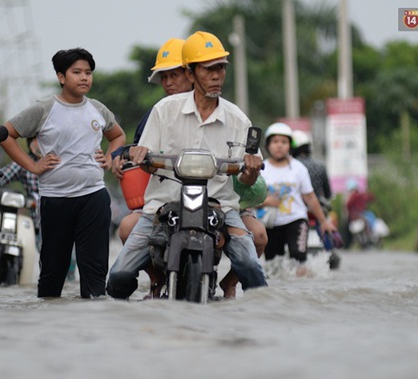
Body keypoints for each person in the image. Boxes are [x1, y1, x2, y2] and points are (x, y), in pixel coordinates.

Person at [107, 31, 267, 300]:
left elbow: (248, 178)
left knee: (252, 268)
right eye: (208, 69)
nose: (216, 75)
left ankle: (247, 306)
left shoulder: (238, 119)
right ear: (191, 74)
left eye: (220, 68)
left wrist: (250, 170)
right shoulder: (164, 110)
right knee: (119, 276)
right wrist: (140, 155)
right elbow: (145, 161)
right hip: (161, 205)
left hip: (221, 207)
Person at [0, 47, 126, 299]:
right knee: (52, 274)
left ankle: (90, 327)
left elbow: (118, 135)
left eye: (88, 73)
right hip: (55, 199)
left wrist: (110, 158)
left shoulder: (98, 109)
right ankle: (51, 328)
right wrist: (34, 166)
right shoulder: (43, 109)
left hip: (94, 196)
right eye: (76, 72)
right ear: (61, 76)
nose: (84, 78)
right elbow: (6, 134)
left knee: (94, 273)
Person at [113, 38, 194, 298]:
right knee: (126, 227)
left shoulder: (217, 108)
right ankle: (156, 279)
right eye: (164, 77)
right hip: (161, 202)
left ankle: (229, 285)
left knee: (257, 235)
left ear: (192, 74)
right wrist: (119, 155)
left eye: (175, 75)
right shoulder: (156, 113)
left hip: (210, 200)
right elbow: (137, 148)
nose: (169, 83)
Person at [258, 122, 337, 276]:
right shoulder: (262, 168)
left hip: (296, 219)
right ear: (268, 145)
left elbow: (310, 197)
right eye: (275, 142)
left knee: (298, 256)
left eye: (284, 142)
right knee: (273, 265)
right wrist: (266, 201)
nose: (279, 146)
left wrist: (323, 221)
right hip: (270, 223)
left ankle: (301, 290)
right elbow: (250, 199)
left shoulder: (299, 168)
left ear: (290, 145)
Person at [290, 130, 341, 266]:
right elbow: (328, 193)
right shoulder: (320, 166)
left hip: (295, 209)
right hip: (317, 210)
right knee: (325, 225)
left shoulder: (291, 166)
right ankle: (329, 250)